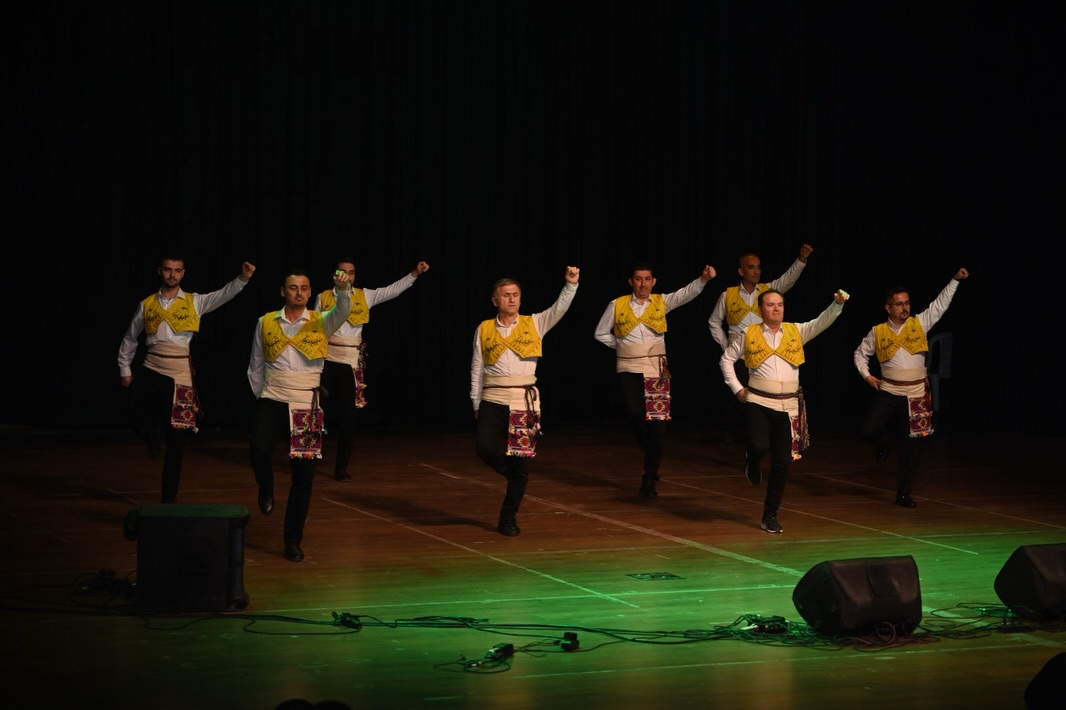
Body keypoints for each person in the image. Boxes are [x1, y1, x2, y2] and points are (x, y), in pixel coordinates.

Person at [118, 256, 256, 503]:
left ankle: (168, 499)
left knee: (176, 441)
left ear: (183, 274)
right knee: (130, 405)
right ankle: (151, 432)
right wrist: (125, 369)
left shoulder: (195, 302)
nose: (172, 275)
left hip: (179, 373)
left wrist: (243, 278)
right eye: (168, 270)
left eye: (177, 271)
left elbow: (223, 295)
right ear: (160, 271)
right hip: (152, 366)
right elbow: (130, 337)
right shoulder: (147, 304)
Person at [720, 288, 849, 534]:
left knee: (782, 463)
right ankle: (753, 460)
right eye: (770, 305)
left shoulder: (795, 331)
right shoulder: (750, 333)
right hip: (758, 400)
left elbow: (821, 322)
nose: (776, 308)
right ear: (760, 310)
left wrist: (837, 305)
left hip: (788, 405)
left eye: (779, 304)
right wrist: (737, 388)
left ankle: (770, 514)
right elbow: (726, 360)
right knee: (759, 445)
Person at [247, 268, 352, 562]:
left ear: (309, 292)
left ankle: (292, 539)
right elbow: (255, 363)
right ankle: (265, 484)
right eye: (293, 287)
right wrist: (261, 394)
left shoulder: (322, 320)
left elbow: (344, 308)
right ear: (283, 291)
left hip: (306, 400)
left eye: (304, 288)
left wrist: (342, 289)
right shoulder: (266, 321)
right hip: (273, 396)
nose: (299, 292)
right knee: (258, 450)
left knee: (303, 476)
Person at [471, 266, 580, 536]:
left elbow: (558, 310)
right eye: (506, 295)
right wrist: (475, 402)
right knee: (484, 448)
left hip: (524, 399)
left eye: (515, 295)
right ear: (495, 301)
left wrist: (570, 285)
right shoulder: (484, 329)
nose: (511, 299)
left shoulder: (535, 323)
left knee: (521, 461)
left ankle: (508, 516)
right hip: (492, 397)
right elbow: (477, 367)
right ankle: (512, 474)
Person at [594, 262, 717, 499]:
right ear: (631, 281)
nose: (643, 284)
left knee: (659, 426)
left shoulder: (661, 301)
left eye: (647, 279)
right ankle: (649, 448)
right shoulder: (617, 304)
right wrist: (622, 346)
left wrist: (703, 279)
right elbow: (600, 333)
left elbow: (685, 295)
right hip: (628, 366)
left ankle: (649, 477)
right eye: (638, 279)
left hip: (656, 368)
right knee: (635, 414)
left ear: (654, 281)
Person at [853, 268, 969, 508]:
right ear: (888, 308)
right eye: (898, 304)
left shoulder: (920, 323)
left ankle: (903, 493)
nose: (904, 308)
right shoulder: (878, 331)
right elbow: (860, 354)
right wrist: (867, 376)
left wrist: (955, 280)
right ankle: (883, 442)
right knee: (868, 430)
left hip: (916, 394)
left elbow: (940, 304)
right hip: (889, 391)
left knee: (912, 446)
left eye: (906, 303)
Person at [314, 258, 430, 481]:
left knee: (349, 416)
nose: (347, 276)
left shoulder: (364, 295)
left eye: (351, 272)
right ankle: (307, 458)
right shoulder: (322, 298)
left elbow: (391, 291)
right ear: (334, 276)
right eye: (342, 272)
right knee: (316, 411)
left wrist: (414, 273)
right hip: (326, 359)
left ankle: (341, 467)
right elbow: (315, 329)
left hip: (350, 360)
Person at [708, 244, 814, 447]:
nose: (756, 271)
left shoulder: (767, 291)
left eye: (758, 267)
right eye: (751, 267)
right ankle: (728, 430)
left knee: (760, 396)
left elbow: (787, 280)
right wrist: (726, 345)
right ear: (741, 271)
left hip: (765, 354)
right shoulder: (727, 295)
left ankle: (756, 437)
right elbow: (713, 322)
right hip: (740, 354)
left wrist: (801, 260)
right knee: (739, 394)